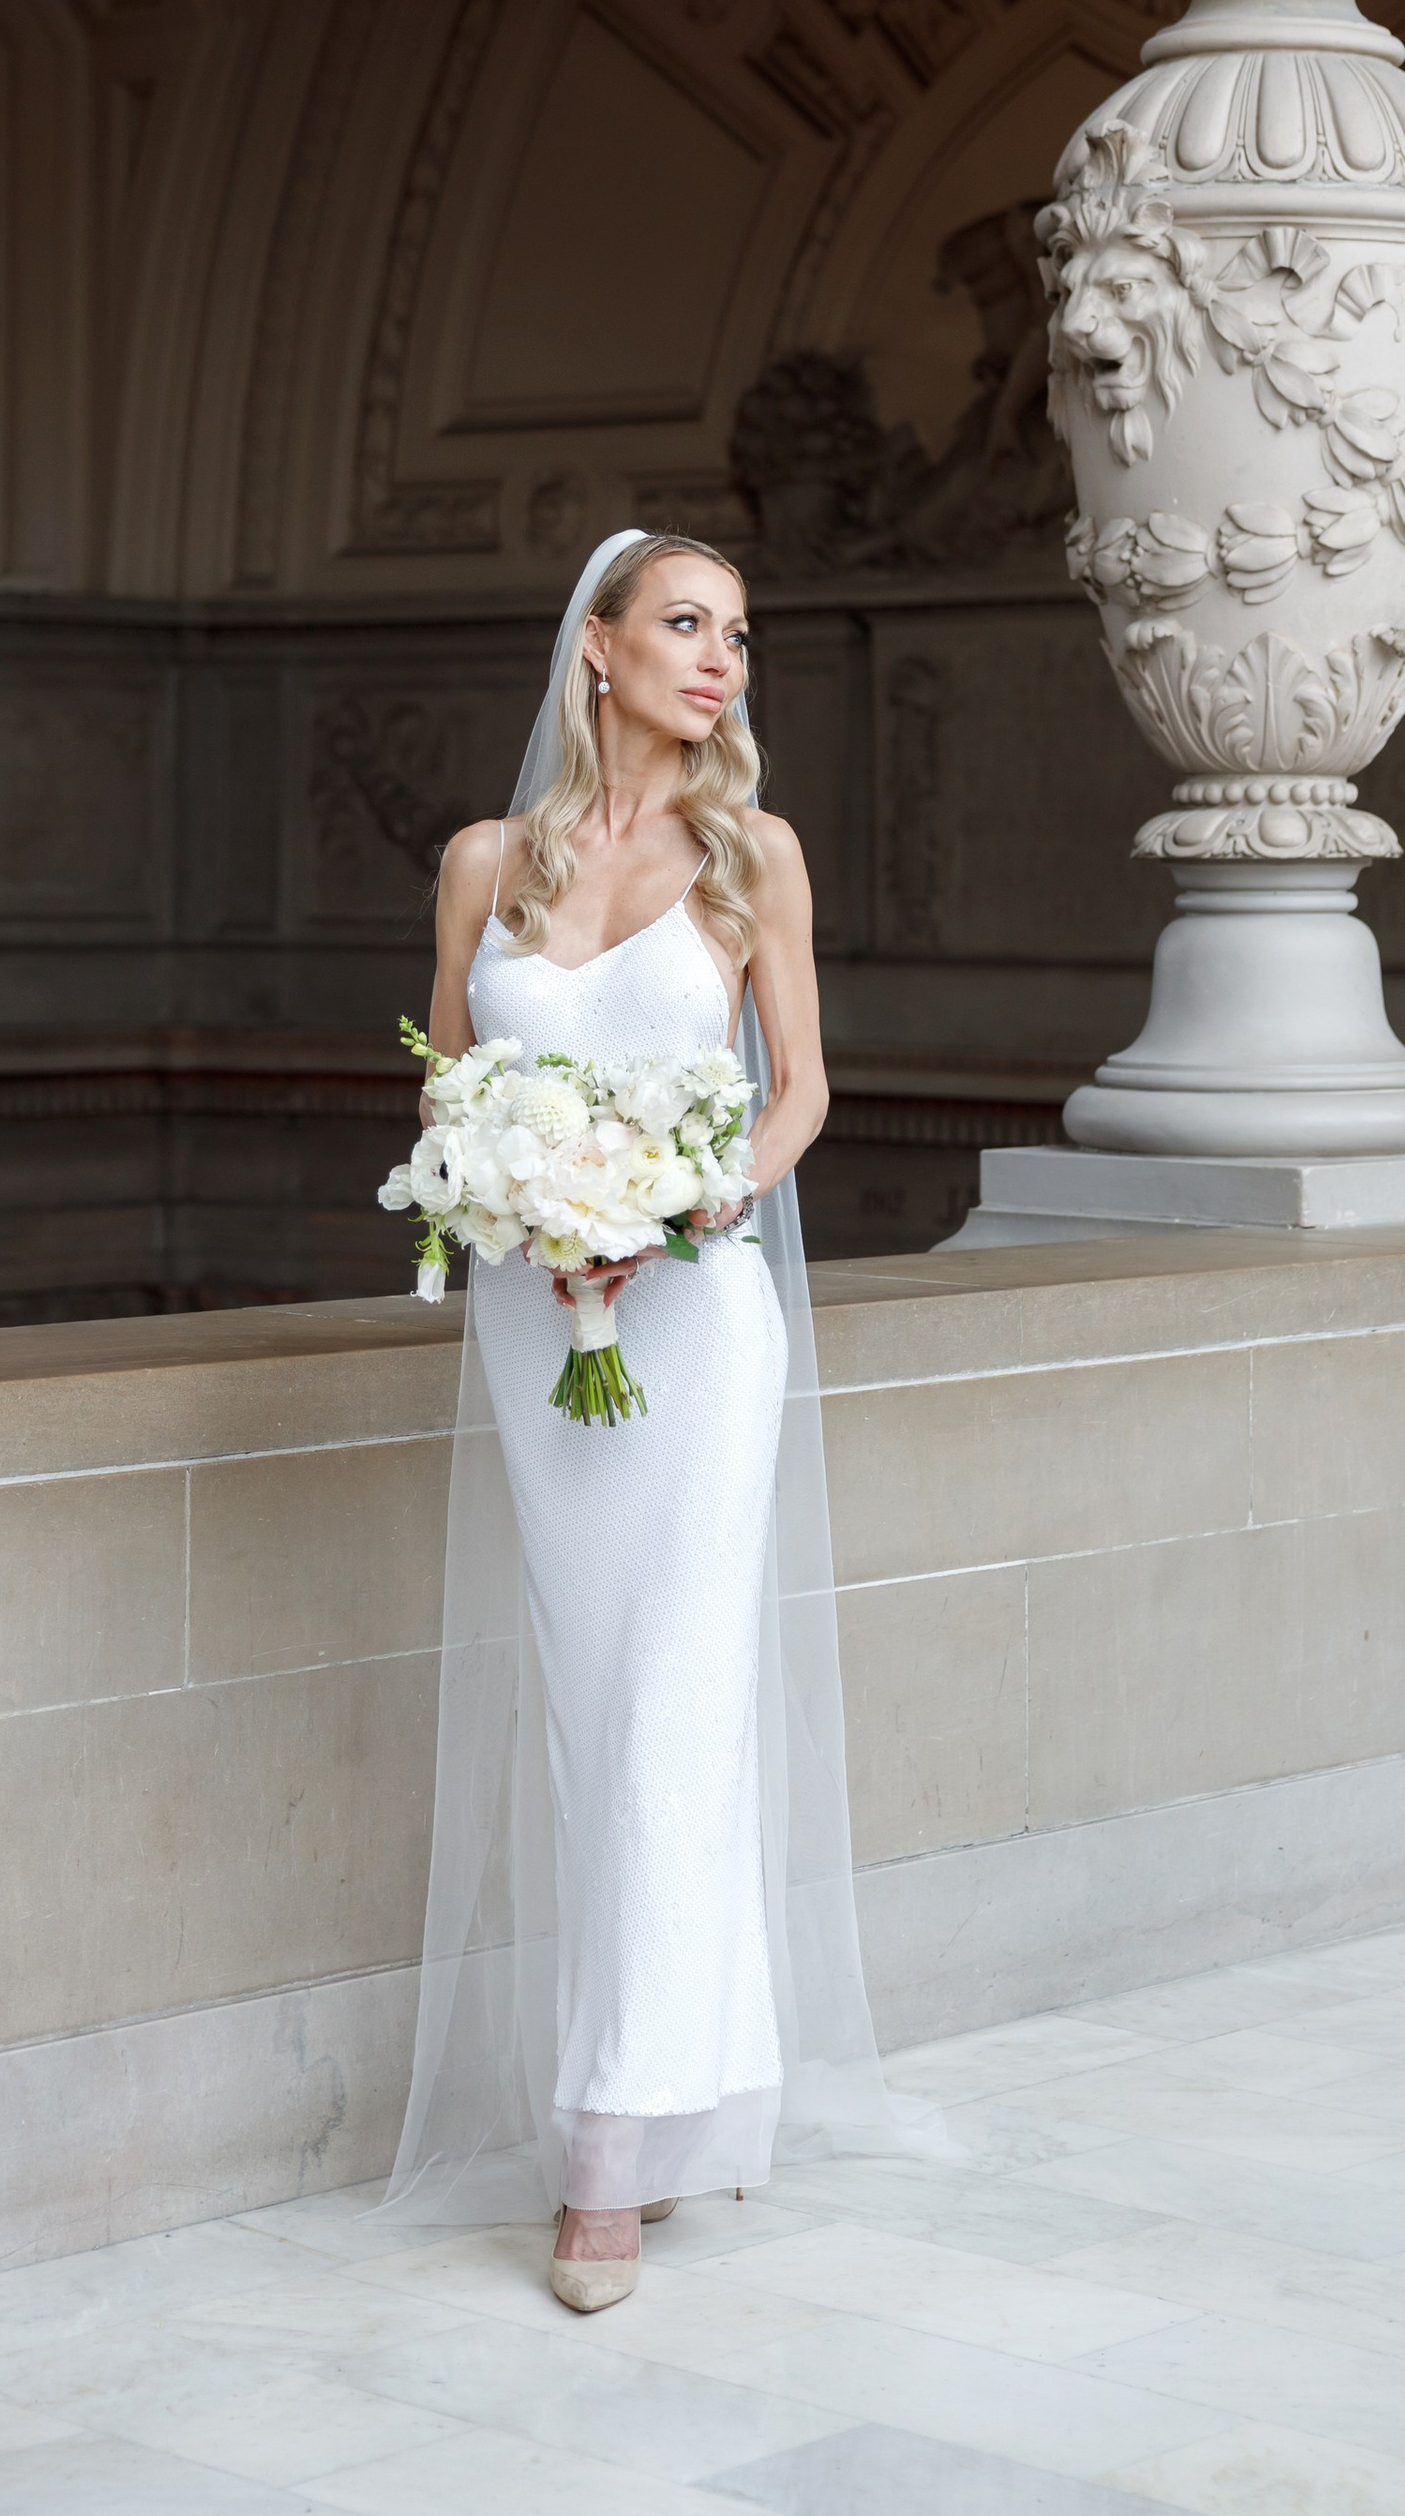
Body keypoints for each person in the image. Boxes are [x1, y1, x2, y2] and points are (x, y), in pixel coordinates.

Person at [380, 527, 900, 2311]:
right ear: (595, 649)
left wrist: (692, 1203)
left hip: (699, 1323)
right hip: (540, 1341)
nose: (721, 660)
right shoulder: (480, 866)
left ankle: (611, 2157)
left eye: (739, 636)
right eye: (687, 627)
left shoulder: (754, 856)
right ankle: (669, 2104)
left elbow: (805, 1092)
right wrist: (517, 1199)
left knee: (677, 1710)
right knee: (596, 1717)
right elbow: (450, 1099)